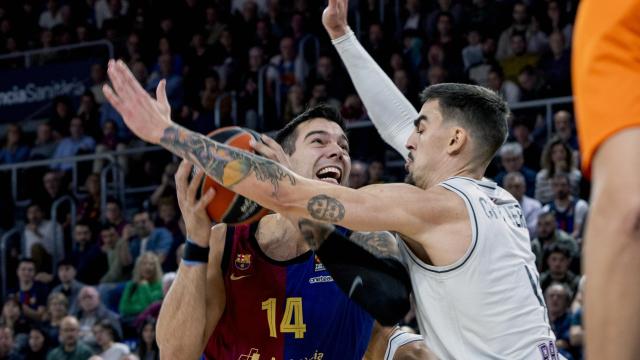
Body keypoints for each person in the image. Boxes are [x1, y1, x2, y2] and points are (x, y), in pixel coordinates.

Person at [105, 43, 556, 359]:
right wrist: (343, 36)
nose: (409, 140)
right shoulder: (494, 198)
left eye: (421, 129)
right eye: (320, 140)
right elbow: (175, 353)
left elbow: (289, 194)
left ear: (455, 139)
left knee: (407, 347)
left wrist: (167, 134)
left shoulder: (421, 210)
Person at [155, 106, 427, 359]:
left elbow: (389, 302)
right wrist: (196, 240)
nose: (338, 152)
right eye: (319, 141)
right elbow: (176, 354)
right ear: (281, 159)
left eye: (344, 145)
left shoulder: (366, 235)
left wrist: (290, 200)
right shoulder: (224, 241)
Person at [541, 173, 589, 240]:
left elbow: (577, 232)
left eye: (563, 185)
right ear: (552, 188)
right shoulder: (546, 209)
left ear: (569, 187)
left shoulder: (580, 205)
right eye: (556, 185)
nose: (560, 188)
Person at [118, 253, 163, 319]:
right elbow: (123, 307)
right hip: (130, 320)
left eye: (151, 264)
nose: (148, 267)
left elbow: (149, 308)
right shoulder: (131, 285)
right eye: (144, 264)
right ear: (138, 267)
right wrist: (139, 308)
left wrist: (145, 287)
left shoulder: (160, 286)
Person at [503, 172, 542, 238]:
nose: (513, 190)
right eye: (510, 187)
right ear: (504, 189)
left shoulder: (535, 205)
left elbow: (533, 230)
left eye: (517, 186)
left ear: (524, 187)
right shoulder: (496, 206)